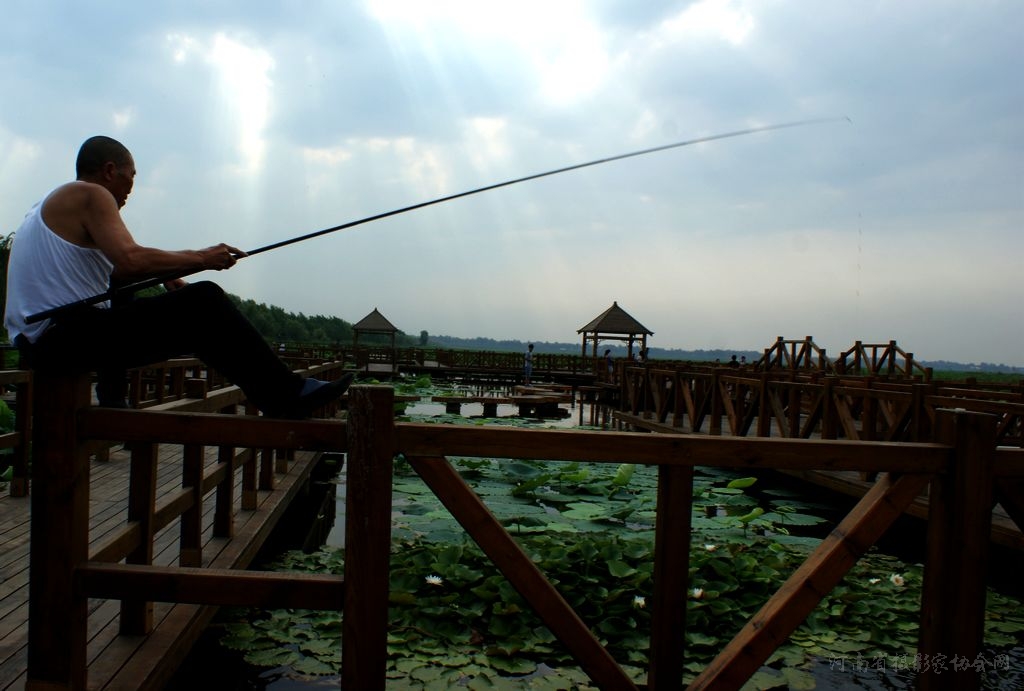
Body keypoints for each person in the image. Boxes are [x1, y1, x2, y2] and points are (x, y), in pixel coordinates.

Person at [4, 135, 352, 418]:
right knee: (204, 302)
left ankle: (112, 396)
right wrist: (203, 258)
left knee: (134, 289)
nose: (130, 188)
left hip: (43, 340)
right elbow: (130, 258)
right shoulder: (91, 193)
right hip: (60, 336)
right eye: (132, 176)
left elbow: (119, 270)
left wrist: (167, 276)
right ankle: (284, 395)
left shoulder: (47, 205)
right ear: (110, 170)